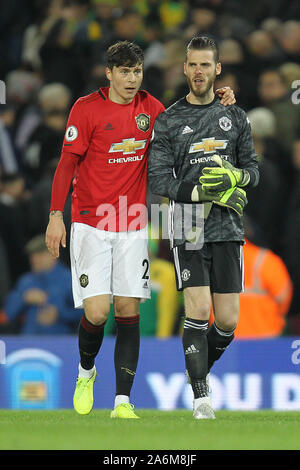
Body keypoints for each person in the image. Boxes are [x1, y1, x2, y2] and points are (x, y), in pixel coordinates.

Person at [45, 40, 235, 419]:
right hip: (89, 221)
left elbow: (187, 120)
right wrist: (55, 215)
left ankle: (122, 402)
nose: (132, 79)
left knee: (127, 307)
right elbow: (66, 165)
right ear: (109, 73)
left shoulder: (152, 109)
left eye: (137, 71)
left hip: (132, 223)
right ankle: (86, 371)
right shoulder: (86, 109)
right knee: (97, 313)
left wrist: (220, 98)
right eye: (125, 72)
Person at [148, 36, 259, 419]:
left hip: (227, 224)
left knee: (227, 321)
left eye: (205, 65)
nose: (198, 72)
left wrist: (235, 179)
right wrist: (199, 192)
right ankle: (201, 398)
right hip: (187, 222)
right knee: (196, 310)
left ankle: (195, 368)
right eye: (192, 65)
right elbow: (159, 179)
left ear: (217, 69)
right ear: (184, 68)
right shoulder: (169, 119)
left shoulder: (236, 116)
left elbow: (254, 172)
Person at [4, 235, 81, 334]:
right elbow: (8, 314)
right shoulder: (26, 281)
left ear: (53, 255)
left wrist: (59, 314)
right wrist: (23, 298)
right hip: (28, 342)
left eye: (40, 255)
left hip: (61, 342)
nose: (34, 260)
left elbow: (85, 314)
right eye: (32, 256)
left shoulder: (68, 279)